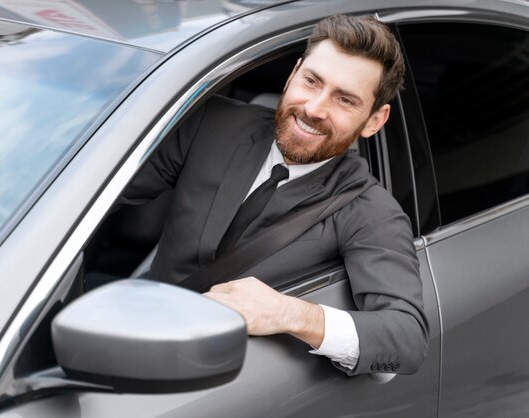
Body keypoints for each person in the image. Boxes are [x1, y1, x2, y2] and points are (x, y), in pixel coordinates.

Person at [119, 15, 428, 376]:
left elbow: (407, 344)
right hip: (134, 335)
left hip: (222, 382)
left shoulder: (370, 211)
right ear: (293, 73)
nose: (314, 109)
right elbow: (98, 192)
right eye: (311, 81)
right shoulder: (211, 123)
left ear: (374, 121)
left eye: (344, 100)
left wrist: (290, 314)